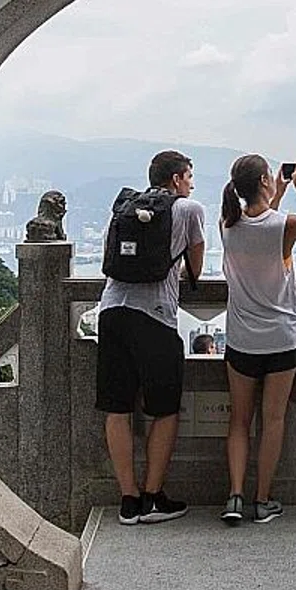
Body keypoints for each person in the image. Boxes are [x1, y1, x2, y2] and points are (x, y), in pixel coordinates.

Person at [94, 149, 205, 525]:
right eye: (189, 177)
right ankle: (153, 497)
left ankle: (128, 501)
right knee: (165, 409)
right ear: (176, 179)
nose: (191, 184)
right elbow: (196, 268)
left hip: (110, 312)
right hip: (155, 315)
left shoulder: (126, 206)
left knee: (117, 408)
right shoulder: (188, 210)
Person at [218, 154, 296, 525]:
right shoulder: (287, 224)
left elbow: (261, 226)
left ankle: (234, 496)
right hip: (281, 338)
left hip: (242, 339)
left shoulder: (227, 225)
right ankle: (262, 501)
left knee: (239, 422)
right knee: (272, 420)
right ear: (266, 180)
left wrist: (275, 193)